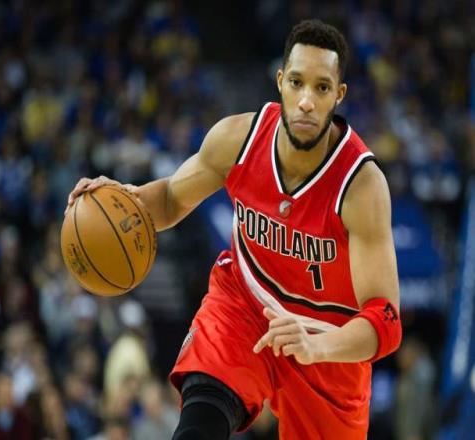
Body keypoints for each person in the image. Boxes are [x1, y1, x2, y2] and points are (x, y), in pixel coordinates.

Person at [66, 19, 402, 440]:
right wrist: (122, 200)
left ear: (339, 94)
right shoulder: (237, 139)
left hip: (326, 342)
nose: (306, 101)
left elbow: (385, 320)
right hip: (245, 304)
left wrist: (317, 345)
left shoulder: (361, 186)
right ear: (280, 82)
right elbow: (170, 199)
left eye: (321, 87)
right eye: (297, 82)